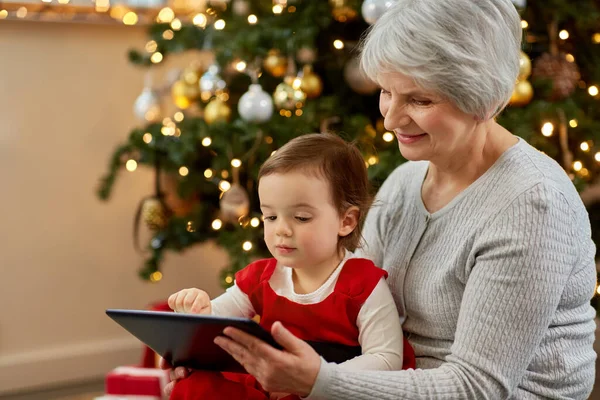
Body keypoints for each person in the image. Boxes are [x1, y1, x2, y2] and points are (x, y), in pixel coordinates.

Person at [165, 133, 416, 400]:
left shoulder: (362, 284)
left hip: (328, 392)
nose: (281, 230)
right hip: (270, 390)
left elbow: (386, 360)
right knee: (195, 385)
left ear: (346, 221)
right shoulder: (262, 278)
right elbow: (220, 326)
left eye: (301, 217)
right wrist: (202, 311)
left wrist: (317, 380)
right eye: (270, 216)